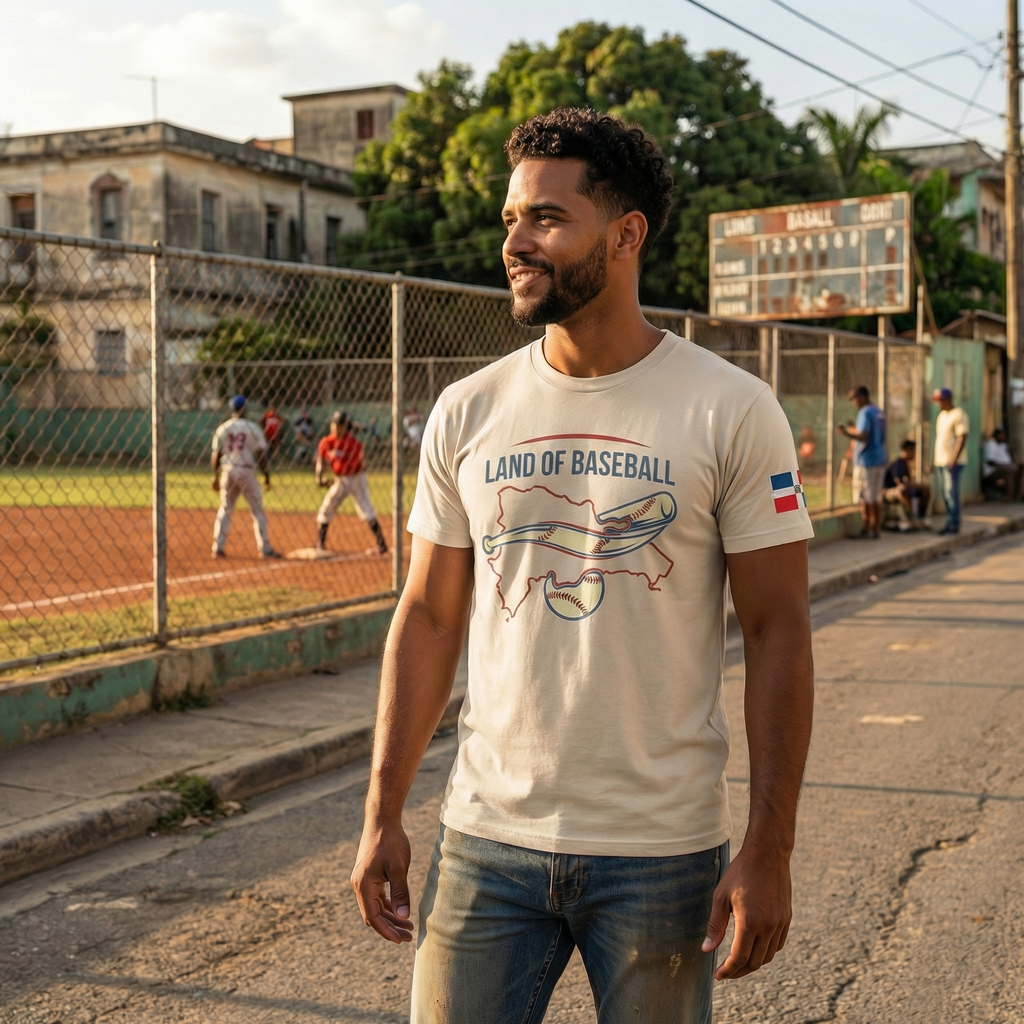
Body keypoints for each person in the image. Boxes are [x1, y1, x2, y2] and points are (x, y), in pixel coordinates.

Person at [350, 108, 814, 1022]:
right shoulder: (466, 410)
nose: (516, 243)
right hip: (486, 839)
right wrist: (381, 810)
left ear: (627, 233)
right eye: (512, 220)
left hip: (662, 852)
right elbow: (430, 616)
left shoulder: (732, 408)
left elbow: (778, 630)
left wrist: (771, 845)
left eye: (548, 220)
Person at [211, 395, 280, 559]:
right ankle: (265, 548)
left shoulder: (223, 428)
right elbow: (262, 454)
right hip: (246, 470)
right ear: (245, 409)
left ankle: (217, 547)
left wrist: (215, 476)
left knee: (225, 508)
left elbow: (216, 454)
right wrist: (267, 476)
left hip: (228, 470)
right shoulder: (253, 427)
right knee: (258, 510)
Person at [315, 411, 388, 555]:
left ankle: (382, 544)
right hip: (341, 479)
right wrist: (319, 478)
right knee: (327, 508)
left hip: (356, 478)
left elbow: (357, 465)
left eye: (340, 425)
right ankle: (320, 543)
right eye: (335, 424)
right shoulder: (327, 441)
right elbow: (320, 461)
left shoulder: (353, 443)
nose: (336, 428)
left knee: (366, 508)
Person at [837, 385, 886, 539]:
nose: (854, 402)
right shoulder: (878, 411)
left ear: (862, 397)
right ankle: (875, 528)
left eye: (854, 398)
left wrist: (846, 433)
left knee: (866, 496)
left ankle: (868, 528)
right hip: (879, 458)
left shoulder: (865, 412)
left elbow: (864, 436)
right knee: (875, 495)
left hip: (867, 461)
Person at [932, 387, 969, 535]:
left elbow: (962, 437)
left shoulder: (958, 414)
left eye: (940, 400)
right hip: (941, 460)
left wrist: (953, 458)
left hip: (953, 461)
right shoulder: (941, 415)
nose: (938, 404)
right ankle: (949, 523)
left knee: (951, 493)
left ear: (948, 399)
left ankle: (954, 524)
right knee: (945, 494)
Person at [882, 439, 929, 530]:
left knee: (926, 490)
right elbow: (901, 484)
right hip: (888, 492)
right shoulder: (898, 463)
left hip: (901, 489)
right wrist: (913, 485)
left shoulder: (906, 464)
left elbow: (908, 483)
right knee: (903, 491)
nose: (915, 454)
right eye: (913, 451)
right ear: (906, 451)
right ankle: (912, 519)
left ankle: (921, 517)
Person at [982, 427, 1022, 500]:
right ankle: (1009, 496)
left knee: (1020, 469)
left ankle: (1018, 495)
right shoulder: (991, 444)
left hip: (1004, 467)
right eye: (1001, 436)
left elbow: (1007, 460)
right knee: (1009, 471)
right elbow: (990, 462)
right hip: (991, 471)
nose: (1003, 437)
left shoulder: (1003, 445)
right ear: (996, 436)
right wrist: (1006, 466)